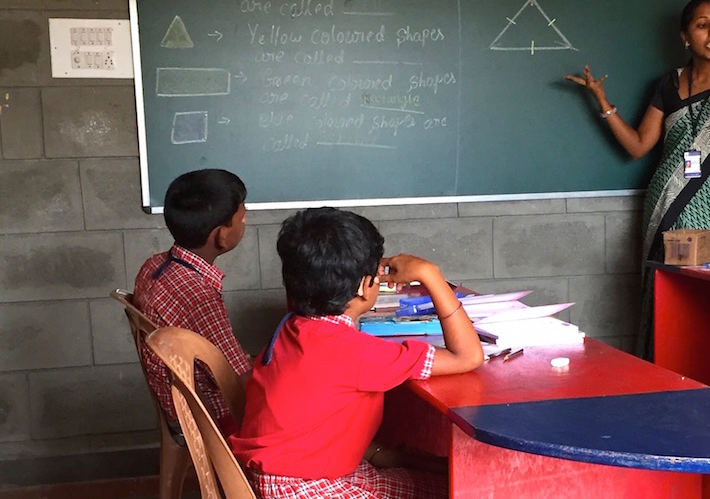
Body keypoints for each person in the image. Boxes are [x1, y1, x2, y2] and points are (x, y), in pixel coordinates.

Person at [566, 0, 710, 359]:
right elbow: (639, 146)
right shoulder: (668, 84)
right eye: (701, 24)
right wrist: (602, 101)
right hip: (667, 206)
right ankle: (666, 374)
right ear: (685, 37)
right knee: (667, 300)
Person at [230, 208, 484, 499]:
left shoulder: (288, 329)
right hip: (312, 487)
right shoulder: (360, 353)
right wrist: (430, 274)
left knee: (437, 478)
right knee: (462, 490)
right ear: (366, 286)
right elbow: (468, 356)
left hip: (279, 477)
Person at [133, 168, 252, 434]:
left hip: (179, 401)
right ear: (221, 235)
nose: (245, 223)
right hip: (210, 414)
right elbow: (234, 381)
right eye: (242, 220)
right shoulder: (199, 296)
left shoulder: (154, 265)